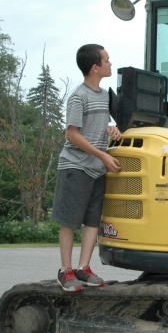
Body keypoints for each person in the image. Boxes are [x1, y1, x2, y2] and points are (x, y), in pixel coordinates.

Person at [52, 44, 122, 292]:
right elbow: (72, 134)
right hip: (76, 167)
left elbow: (94, 126)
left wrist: (110, 128)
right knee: (70, 221)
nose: (110, 63)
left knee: (93, 220)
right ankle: (65, 270)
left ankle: (83, 268)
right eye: (107, 60)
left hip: (96, 168)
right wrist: (103, 154)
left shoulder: (104, 95)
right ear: (95, 67)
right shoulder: (78, 96)